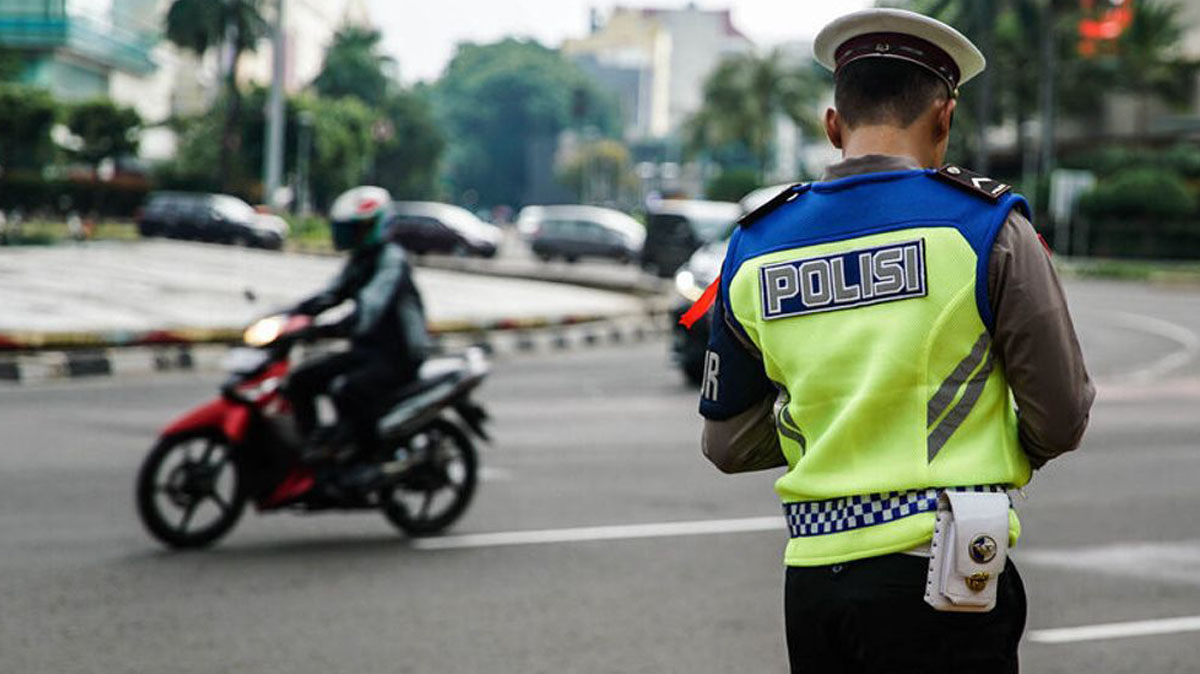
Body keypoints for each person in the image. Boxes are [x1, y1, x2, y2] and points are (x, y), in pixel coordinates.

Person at [696, 9, 1094, 673]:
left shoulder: (754, 245)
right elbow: (1061, 415)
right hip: (942, 580)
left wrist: (835, 425)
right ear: (944, 117)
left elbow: (726, 443)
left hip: (812, 586)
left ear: (832, 124)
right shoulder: (987, 227)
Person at [285, 185, 431, 463]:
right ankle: (314, 451)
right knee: (301, 380)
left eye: (361, 228)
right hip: (368, 350)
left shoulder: (391, 260)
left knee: (348, 390)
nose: (355, 235)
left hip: (399, 354)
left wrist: (328, 328)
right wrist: (290, 315)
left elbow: (370, 306)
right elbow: (330, 295)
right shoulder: (360, 260)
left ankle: (369, 459)